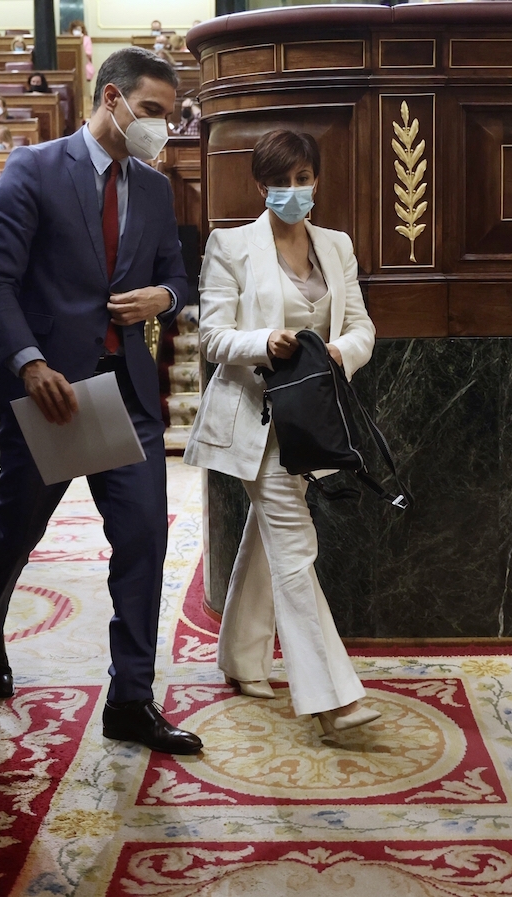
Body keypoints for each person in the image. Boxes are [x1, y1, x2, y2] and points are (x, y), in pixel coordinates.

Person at [0, 47, 199, 754]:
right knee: (16, 533)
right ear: (112, 98)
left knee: (143, 540)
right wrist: (29, 361)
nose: (163, 127)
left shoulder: (158, 191)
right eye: (154, 112)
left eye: (169, 114)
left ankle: (130, 699)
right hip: (52, 393)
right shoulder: (33, 170)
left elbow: (178, 277)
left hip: (125, 391)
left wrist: (163, 297)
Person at [184, 129, 381, 739]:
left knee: (268, 539)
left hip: (312, 419)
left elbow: (361, 326)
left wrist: (332, 357)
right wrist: (261, 343)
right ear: (260, 184)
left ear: (316, 180)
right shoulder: (231, 245)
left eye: (302, 180)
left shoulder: (336, 245)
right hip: (255, 420)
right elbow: (213, 336)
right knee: (296, 547)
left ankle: (241, 656)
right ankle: (332, 697)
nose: (292, 192)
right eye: (279, 182)